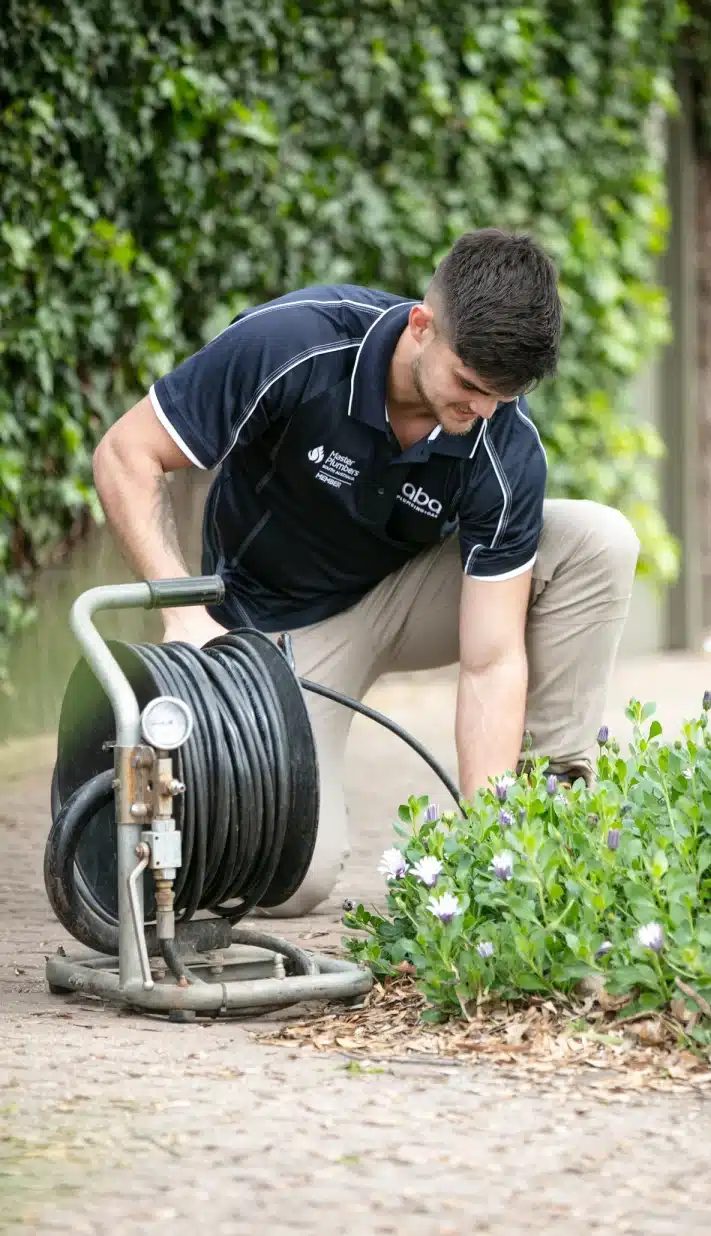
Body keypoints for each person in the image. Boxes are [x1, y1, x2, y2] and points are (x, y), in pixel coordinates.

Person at [92, 228, 640, 916]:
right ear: (422, 326)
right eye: (469, 385)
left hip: (404, 597)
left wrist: (488, 853)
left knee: (599, 540)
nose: (482, 413)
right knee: (295, 880)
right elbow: (125, 454)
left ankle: (543, 827)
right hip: (274, 634)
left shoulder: (501, 438)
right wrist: (181, 611)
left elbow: (491, 662)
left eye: (502, 397)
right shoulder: (295, 344)